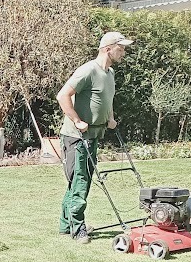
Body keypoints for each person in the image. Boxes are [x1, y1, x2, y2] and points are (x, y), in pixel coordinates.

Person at [56, 31, 133, 244]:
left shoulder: (110, 74)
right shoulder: (88, 70)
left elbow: (107, 99)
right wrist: (77, 120)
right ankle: (78, 228)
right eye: (120, 48)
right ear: (107, 49)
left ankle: (66, 225)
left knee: (82, 180)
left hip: (94, 135)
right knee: (80, 181)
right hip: (77, 137)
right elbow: (62, 95)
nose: (123, 52)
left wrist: (110, 117)